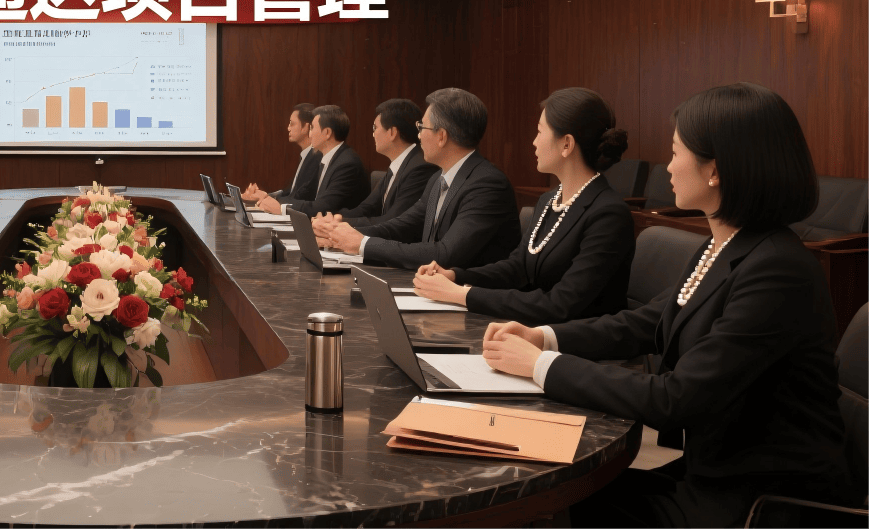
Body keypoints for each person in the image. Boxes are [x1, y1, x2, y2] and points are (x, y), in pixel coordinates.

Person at [482, 84, 850, 527]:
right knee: (556, 492)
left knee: (555, 503)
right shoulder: (728, 244)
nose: (669, 166)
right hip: (710, 472)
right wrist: (542, 336)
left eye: (675, 152)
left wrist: (541, 365)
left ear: (715, 170)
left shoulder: (776, 270)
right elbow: (646, 321)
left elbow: (676, 398)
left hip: (760, 500)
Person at [412, 88, 636, 323]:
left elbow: (561, 305)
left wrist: (462, 295)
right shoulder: (549, 200)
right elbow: (517, 268)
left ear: (567, 144)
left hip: (575, 341)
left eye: (539, 132)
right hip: (533, 331)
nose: (534, 142)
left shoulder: (608, 215)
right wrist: (455, 276)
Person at [315, 88, 516, 270]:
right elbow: (402, 225)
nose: (418, 136)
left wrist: (362, 244)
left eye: (422, 128)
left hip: (468, 294)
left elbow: (445, 254)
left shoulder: (487, 185)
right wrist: (339, 233)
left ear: (441, 136)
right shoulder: (438, 178)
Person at [330, 98, 438, 224]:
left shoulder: (420, 168)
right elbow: (367, 208)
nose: (373, 134)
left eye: (375, 127)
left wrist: (338, 224)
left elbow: (393, 221)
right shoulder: (399, 163)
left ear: (392, 132)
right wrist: (333, 219)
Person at [253, 105, 368, 216]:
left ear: (327, 133)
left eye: (312, 128)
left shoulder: (347, 164)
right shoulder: (331, 158)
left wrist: (281, 207)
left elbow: (322, 208)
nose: (310, 134)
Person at [238, 103, 320, 205]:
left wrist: (265, 198)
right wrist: (264, 196)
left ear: (306, 127)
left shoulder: (316, 158)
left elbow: (300, 196)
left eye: (292, 124)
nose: (288, 128)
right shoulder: (306, 155)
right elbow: (290, 191)